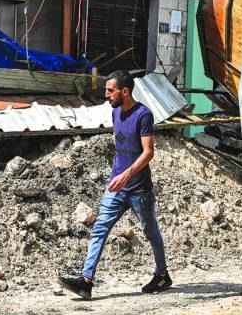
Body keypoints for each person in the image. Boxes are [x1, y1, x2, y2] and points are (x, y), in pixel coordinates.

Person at [58, 71, 171, 299]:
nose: (106, 94)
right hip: (116, 187)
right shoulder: (115, 113)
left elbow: (148, 152)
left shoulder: (143, 115)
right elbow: (122, 148)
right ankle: (86, 282)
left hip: (139, 190)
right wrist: (117, 175)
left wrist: (127, 175)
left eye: (111, 90)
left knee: (150, 232)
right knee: (100, 228)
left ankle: (162, 275)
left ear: (125, 91)